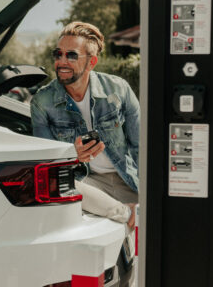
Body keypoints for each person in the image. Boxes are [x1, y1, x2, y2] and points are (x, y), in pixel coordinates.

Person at [31, 21, 139, 204]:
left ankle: (125, 212)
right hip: (85, 182)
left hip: (126, 178)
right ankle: (123, 212)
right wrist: (73, 154)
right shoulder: (42, 102)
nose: (62, 61)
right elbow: (46, 162)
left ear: (91, 62)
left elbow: (141, 147)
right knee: (62, 188)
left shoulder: (119, 90)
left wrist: (146, 194)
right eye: (58, 54)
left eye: (71, 55)